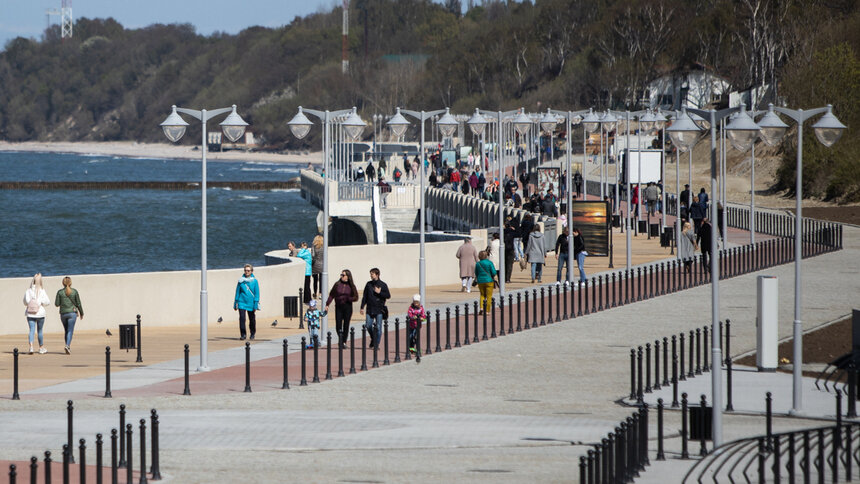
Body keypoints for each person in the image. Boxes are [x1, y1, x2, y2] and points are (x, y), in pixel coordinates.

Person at [326, 268, 358, 348]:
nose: (342, 276)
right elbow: (332, 295)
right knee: (338, 325)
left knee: (346, 325)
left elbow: (356, 297)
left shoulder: (351, 286)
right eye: (341, 275)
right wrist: (327, 304)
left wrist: (348, 299)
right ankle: (340, 337)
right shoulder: (337, 284)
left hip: (347, 307)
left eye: (343, 275)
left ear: (347, 276)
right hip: (338, 306)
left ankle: (343, 341)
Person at [360, 268, 390, 348]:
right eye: (370, 274)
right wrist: (362, 307)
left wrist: (380, 292)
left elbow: (388, 295)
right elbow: (365, 296)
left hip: (379, 309)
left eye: (372, 274)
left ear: (377, 275)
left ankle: (376, 344)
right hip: (369, 308)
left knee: (379, 327)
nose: (371, 275)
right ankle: (374, 338)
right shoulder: (368, 284)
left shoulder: (383, 285)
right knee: (368, 325)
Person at [55, 276, 84, 355]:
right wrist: (81, 313)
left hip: (63, 313)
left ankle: (67, 346)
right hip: (72, 313)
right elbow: (78, 303)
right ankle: (67, 346)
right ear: (70, 283)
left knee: (66, 330)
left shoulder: (60, 292)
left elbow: (56, 304)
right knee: (70, 330)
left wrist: (63, 302)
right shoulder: (74, 291)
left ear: (63, 283)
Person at [24, 273, 51, 354]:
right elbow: (47, 302)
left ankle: (31, 347)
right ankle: (41, 348)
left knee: (31, 330)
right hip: (40, 313)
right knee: (40, 330)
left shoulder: (28, 291)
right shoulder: (42, 291)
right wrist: (40, 302)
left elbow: (25, 302)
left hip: (30, 313)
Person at [233, 264, 260, 341]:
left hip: (251, 303)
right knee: (242, 318)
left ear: (251, 271)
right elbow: (237, 292)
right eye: (245, 270)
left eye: (248, 270)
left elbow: (257, 293)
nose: (246, 272)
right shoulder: (241, 281)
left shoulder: (254, 281)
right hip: (242, 302)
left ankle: (252, 333)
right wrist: (235, 302)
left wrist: (255, 303)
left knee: (252, 319)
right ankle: (243, 334)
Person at [503, 218, 517, 283]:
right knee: (509, 265)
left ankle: (504, 277)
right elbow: (519, 234)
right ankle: (508, 278)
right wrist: (513, 229)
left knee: (504, 264)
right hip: (511, 249)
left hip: (504, 249)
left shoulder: (502, 232)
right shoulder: (512, 232)